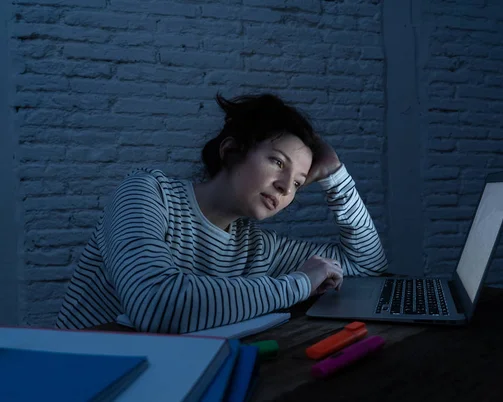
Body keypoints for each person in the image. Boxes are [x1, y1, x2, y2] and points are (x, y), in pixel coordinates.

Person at [55, 93, 387, 333]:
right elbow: (157, 305)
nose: (286, 188)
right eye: (277, 162)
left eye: (299, 183)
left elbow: (367, 266)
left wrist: (336, 178)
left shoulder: (258, 248)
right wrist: (299, 283)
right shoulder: (146, 193)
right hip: (71, 377)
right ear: (231, 151)